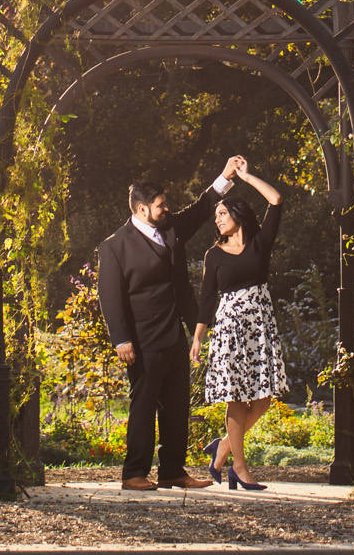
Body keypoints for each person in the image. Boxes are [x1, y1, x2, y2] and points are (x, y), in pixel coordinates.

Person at [96, 155, 245, 490]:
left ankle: (172, 471)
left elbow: (202, 206)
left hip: (174, 334)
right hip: (141, 340)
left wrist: (225, 175)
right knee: (144, 406)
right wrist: (121, 339)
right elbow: (110, 297)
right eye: (160, 205)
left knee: (177, 405)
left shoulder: (171, 229)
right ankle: (134, 472)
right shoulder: (113, 248)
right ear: (141, 209)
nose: (166, 210)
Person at [189, 160, 285, 490]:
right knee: (236, 398)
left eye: (222, 214)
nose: (217, 220)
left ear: (238, 215)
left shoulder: (260, 242)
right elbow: (206, 298)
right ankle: (239, 469)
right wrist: (198, 337)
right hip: (230, 328)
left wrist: (245, 177)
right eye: (215, 216)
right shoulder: (213, 255)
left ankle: (222, 449)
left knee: (262, 400)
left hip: (259, 325)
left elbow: (275, 199)